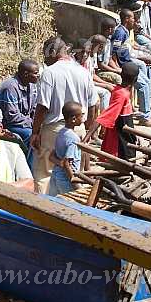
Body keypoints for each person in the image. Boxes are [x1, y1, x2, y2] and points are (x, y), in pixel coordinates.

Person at [31, 37, 100, 193]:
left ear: (54, 52)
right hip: (78, 130)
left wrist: (35, 133)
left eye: (46, 54)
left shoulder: (50, 73)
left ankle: (43, 211)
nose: (45, 58)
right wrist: (87, 130)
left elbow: (42, 106)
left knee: (44, 175)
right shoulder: (83, 72)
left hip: (54, 131)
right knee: (74, 176)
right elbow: (94, 104)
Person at [111, 10, 151, 127]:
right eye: (132, 18)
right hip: (124, 65)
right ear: (126, 19)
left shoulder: (125, 32)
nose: (134, 21)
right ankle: (144, 117)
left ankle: (144, 111)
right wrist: (117, 68)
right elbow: (114, 52)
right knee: (142, 85)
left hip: (128, 62)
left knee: (145, 80)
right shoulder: (120, 33)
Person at [86, 63, 140, 160]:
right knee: (121, 164)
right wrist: (86, 138)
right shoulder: (121, 95)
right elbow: (103, 117)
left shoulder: (119, 90)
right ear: (135, 79)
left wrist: (134, 135)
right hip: (120, 140)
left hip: (125, 134)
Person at [0, 59, 40, 160]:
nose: (38, 75)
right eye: (36, 73)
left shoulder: (32, 85)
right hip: (8, 124)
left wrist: (38, 123)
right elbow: (12, 116)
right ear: (25, 74)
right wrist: (33, 124)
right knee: (30, 134)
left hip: (24, 122)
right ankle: (27, 166)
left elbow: (34, 108)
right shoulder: (10, 87)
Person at [48, 102, 84, 196]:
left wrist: (61, 163)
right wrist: (75, 183)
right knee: (70, 206)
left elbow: (51, 156)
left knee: (53, 204)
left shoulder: (61, 133)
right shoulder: (73, 139)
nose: (83, 119)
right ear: (74, 119)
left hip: (56, 175)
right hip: (66, 180)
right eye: (81, 116)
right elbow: (67, 163)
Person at [96, 19, 123, 85]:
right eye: (114, 28)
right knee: (118, 78)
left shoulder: (109, 41)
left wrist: (118, 68)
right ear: (110, 29)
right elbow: (100, 65)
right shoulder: (101, 43)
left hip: (106, 68)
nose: (115, 30)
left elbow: (109, 59)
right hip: (100, 71)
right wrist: (115, 70)